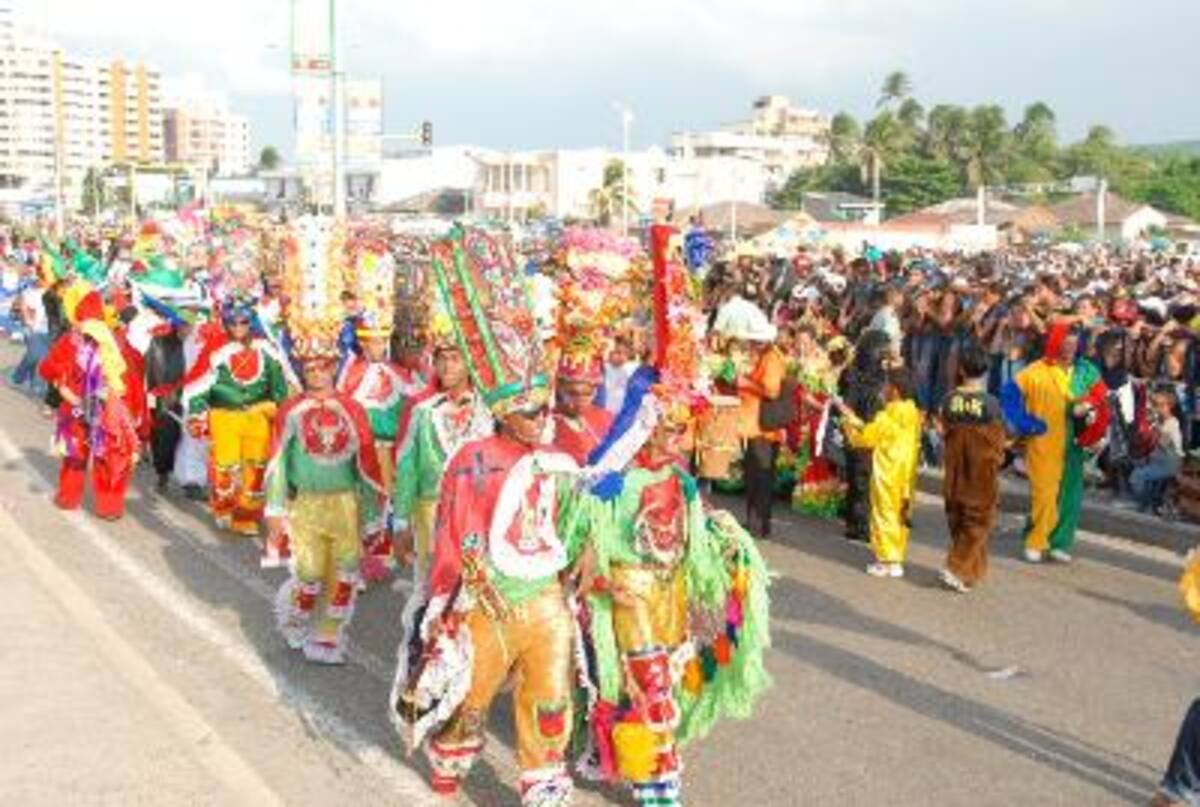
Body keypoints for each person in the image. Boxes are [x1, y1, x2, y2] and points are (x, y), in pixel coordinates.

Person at [391, 226, 580, 806]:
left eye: (544, 406)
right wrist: (464, 595)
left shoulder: (558, 455)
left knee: (550, 698)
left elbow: (570, 522)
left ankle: (543, 779)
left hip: (543, 597)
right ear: (502, 411)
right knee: (471, 700)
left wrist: (572, 574)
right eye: (528, 409)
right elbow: (456, 538)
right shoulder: (473, 461)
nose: (540, 416)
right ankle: (449, 763)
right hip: (491, 596)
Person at [266, 345, 387, 665]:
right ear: (302, 372)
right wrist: (275, 508)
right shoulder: (291, 410)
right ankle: (297, 620)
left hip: (345, 504)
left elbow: (366, 465)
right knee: (309, 570)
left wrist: (373, 515)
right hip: (306, 504)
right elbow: (277, 462)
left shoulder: (353, 409)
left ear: (334, 368)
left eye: (323, 367)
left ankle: (328, 634)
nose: (317, 374)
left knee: (346, 569)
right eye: (310, 369)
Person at [182, 296, 290, 536]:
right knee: (225, 467)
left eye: (244, 322)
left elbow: (279, 387)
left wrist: (281, 413)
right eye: (233, 323)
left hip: (257, 417)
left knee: (256, 468)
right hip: (224, 417)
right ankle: (224, 508)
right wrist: (197, 414)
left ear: (251, 323)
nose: (239, 328)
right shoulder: (216, 352)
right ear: (226, 323)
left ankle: (246, 515)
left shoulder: (267, 351)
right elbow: (200, 386)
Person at [391, 327, 493, 580]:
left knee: (475, 585)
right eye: (441, 359)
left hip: (477, 508)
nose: (447, 367)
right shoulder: (421, 410)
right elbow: (407, 468)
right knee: (432, 584)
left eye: (455, 359)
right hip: (431, 509)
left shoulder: (490, 410)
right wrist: (400, 522)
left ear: (470, 364)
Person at [37, 283, 140, 520]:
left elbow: (48, 368)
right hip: (98, 408)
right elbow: (129, 378)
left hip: (83, 406)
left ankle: (69, 498)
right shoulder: (113, 342)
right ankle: (109, 506)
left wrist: (62, 385)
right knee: (105, 457)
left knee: (79, 456)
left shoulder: (71, 340)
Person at [1011, 320, 1110, 564]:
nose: (1069, 350)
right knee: (1045, 494)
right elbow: (1009, 395)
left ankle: (1059, 542)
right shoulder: (1036, 370)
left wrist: (1097, 430)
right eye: (1064, 345)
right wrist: (1023, 423)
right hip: (1044, 442)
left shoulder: (1087, 370)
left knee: (1069, 495)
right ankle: (1035, 539)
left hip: (1076, 443)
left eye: (1074, 345)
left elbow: (1104, 401)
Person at [335, 312, 425, 579]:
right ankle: (351, 567)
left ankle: (377, 558)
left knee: (387, 502)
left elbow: (417, 400)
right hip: (362, 449)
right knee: (361, 505)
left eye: (381, 341)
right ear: (362, 344)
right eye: (372, 342)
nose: (377, 347)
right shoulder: (351, 372)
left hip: (390, 450)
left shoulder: (398, 373)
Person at [837, 367, 923, 578]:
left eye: (887, 385)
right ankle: (896, 556)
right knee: (901, 513)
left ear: (895, 390)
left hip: (888, 470)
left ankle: (886, 560)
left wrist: (848, 419)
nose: (883, 389)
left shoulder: (888, 414)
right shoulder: (912, 412)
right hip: (906, 472)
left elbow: (865, 438)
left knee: (883, 513)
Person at [938, 342, 1007, 592]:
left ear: (962, 370)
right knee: (978, 521)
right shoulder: (991, 404)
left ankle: (970, 573)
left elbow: (942, 429)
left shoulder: (949, 400)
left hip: (955, 470)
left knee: (958, 517)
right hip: (982, 472)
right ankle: (956, 567)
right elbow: (1000, 439)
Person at [736, 315, 785, 538]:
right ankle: (755, 521)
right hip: (753, 424)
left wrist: (747, 383)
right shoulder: (764, 356)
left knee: (761, 475)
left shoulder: (772, 359)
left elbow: (772, 391)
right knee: (754, 474)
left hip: (762, 427)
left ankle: (759, 524)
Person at [1130, 386, 1184, 514]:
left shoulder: (1172, 423)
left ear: (1169, 406)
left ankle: (1145, 502)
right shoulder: (1161, 421)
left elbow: (1164, 444)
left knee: (1136, 476)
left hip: (1170, 463)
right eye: (1155, 405)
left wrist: (1154, 429)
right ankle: (1148, 504)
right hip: (1159, 461)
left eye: (1160, 405)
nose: (1157, 409)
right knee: (1137, 465)